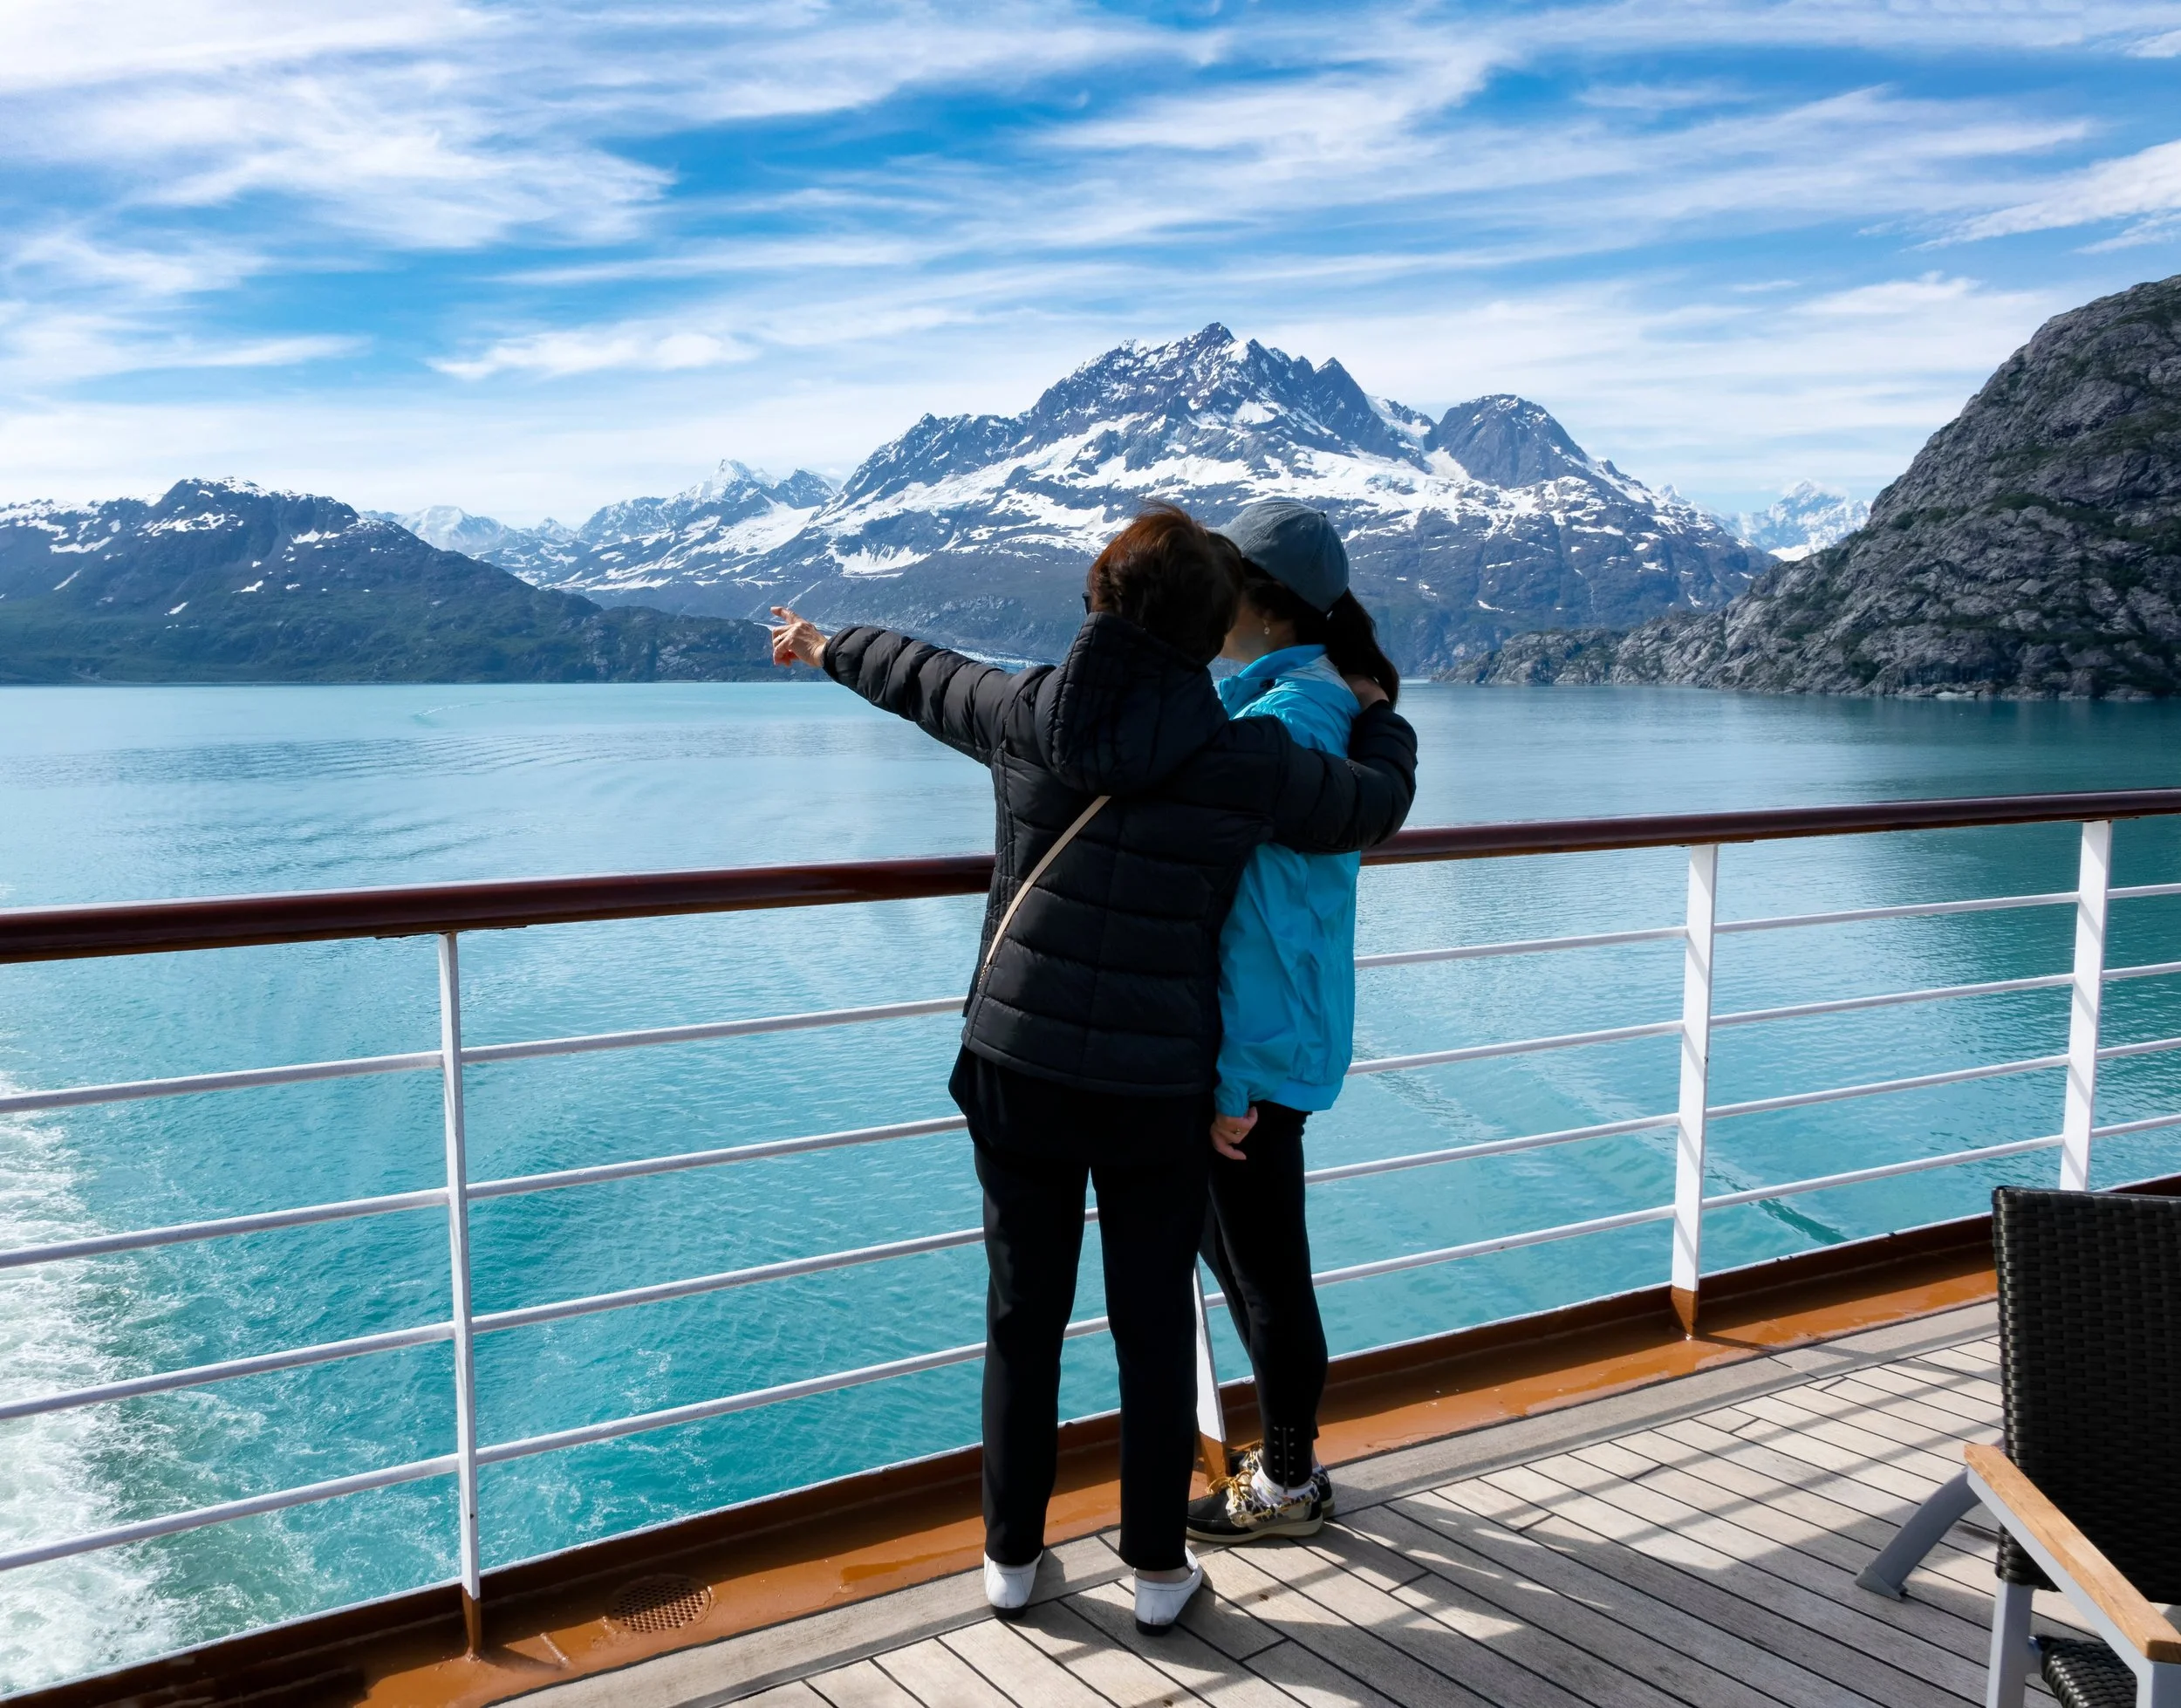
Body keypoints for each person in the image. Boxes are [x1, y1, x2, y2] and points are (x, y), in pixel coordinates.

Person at [768, 503, 1416, 1633]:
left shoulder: (1027, 709)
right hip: (1154, 1087)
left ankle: (1010, 1561)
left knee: (1023, 1314)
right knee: (1152, 1320)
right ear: (1212, 627)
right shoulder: (1239, 754)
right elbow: (1372, 806)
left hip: (1016, 1063)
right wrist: (1382, 716)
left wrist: (825, 645)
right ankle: (1159, 1574)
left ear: (1097, 603)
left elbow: (923, 676)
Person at [1183, 499, 1400, 1547]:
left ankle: (1290, 1477)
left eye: (1225, 583)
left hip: (1255, 1047)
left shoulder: (1288, 719)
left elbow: (1254, 923)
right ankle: (1285, 1462)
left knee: (1265, 1272)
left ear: (1263, 608)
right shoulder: (1297, 694)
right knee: (1239, 1259)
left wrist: (1228, 1081)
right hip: (1264, 1037)